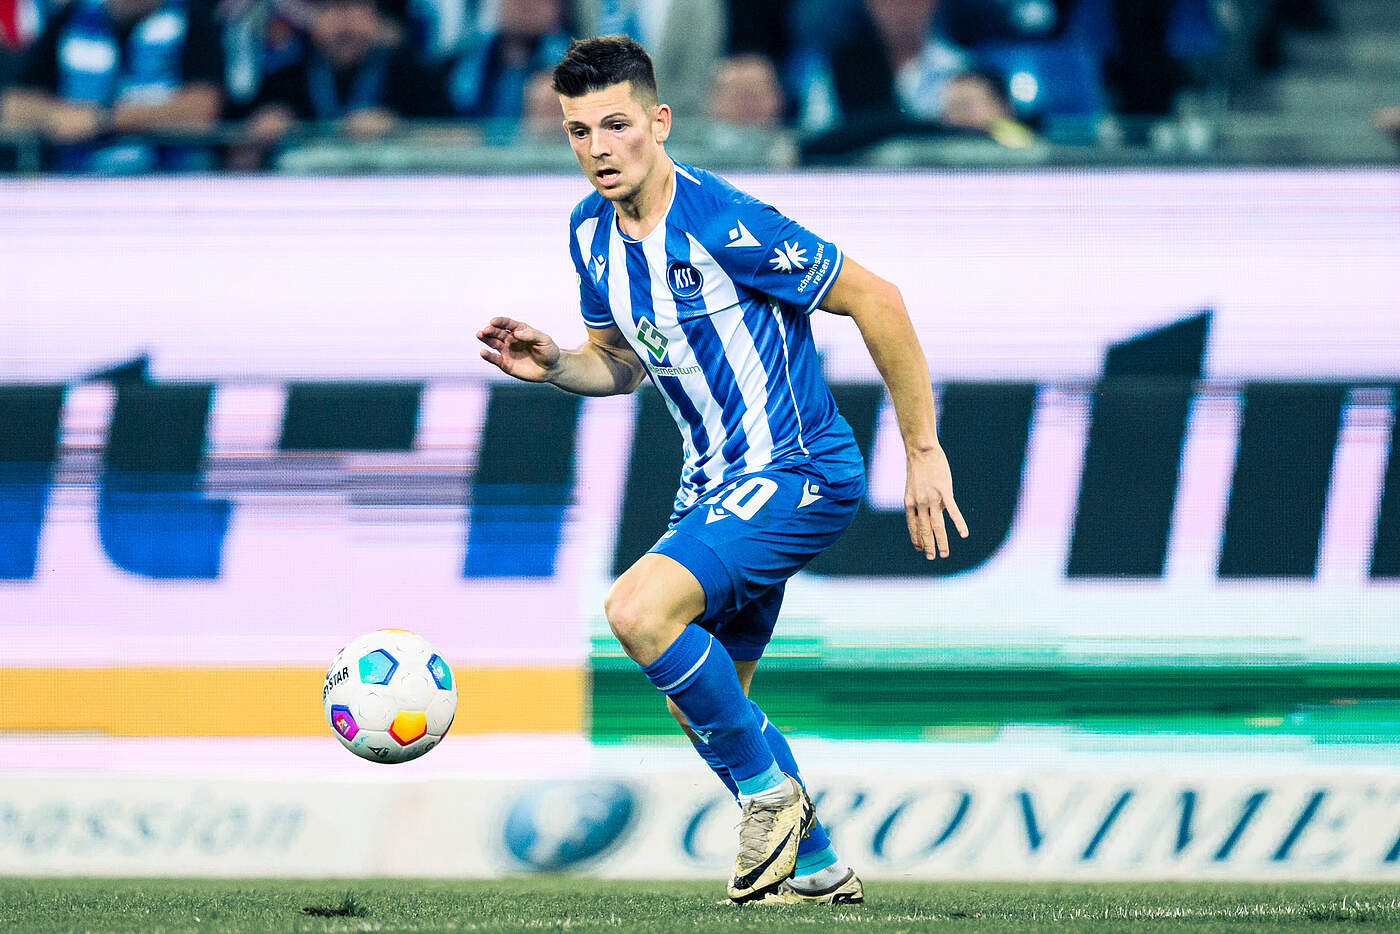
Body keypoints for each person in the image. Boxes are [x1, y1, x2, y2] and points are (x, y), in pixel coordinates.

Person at [476, 35, 966, 905]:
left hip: (798, 468)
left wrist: (922, 452)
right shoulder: (590, 233)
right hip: (714, 484)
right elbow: (620, 363)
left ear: (659, 122)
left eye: (617, 125)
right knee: (699, 700)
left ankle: (770, 799)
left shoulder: (724, 222)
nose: (598, 149)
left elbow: (877, 299)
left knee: (638, 609)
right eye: (579, 131)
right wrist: (555, 364)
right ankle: (816, 866)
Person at [0, 0, 223, 172]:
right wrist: (59, 116)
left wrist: (104, 120)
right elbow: (14, 106)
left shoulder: (192, 18)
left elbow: (204, 107)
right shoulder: (69, 20)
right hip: (74, 182)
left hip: (172, 184)